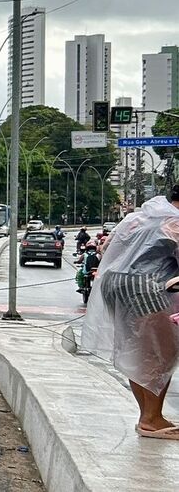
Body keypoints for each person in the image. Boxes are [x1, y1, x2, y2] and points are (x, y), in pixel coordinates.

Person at [82, 186, 179, 439]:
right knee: (162, 355)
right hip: (148, 287)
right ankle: (152, 418)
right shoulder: (175, 222)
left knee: (139, 353)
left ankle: (147, 415)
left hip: (114, 284)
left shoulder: (139, 216)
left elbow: (106, 248)